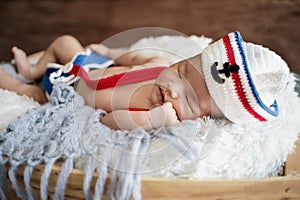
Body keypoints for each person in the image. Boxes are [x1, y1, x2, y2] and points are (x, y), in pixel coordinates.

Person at [0, 31, 290, 130]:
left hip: (67, 94)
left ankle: (26, 82)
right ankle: (33, 69)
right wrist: (109, 52)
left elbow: (107, 122)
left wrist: (150, 121)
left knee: (27, 93)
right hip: (94, 67)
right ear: (179, 62)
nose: (174, 91)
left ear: (203, 116)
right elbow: (134, 59)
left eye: (189, 101)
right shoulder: (159, 64)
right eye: (181, 73)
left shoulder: (158, 114)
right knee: (65, 43)